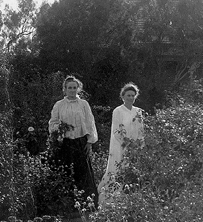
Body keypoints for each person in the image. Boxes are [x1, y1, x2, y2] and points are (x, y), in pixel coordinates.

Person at [48, 76, 99, 207]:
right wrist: (59, 129)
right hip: (65, 143)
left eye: (74, 88)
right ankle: (69, 205)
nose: (72, 90)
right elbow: (53, 123)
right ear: (64, 89)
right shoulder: (59, 105)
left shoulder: (83, 104)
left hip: (81, 142)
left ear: (78, 89)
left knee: (84, 172)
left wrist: (89, 142)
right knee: (68, 172)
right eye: (69, 87)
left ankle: (88, 203)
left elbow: (90, 122)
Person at [98, 83, 145, 206]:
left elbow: (141, 130)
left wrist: (138, 144)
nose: (130, 98)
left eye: (133, 96)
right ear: (123, 96)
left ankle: (132, 197)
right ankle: (113, 198)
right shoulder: (118, 111)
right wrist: (125, 143)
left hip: (135, 146)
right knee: (119, 167)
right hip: (121, 146)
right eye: (128, 95)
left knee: (133, 168)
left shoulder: (138, 111)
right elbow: (116, 130)